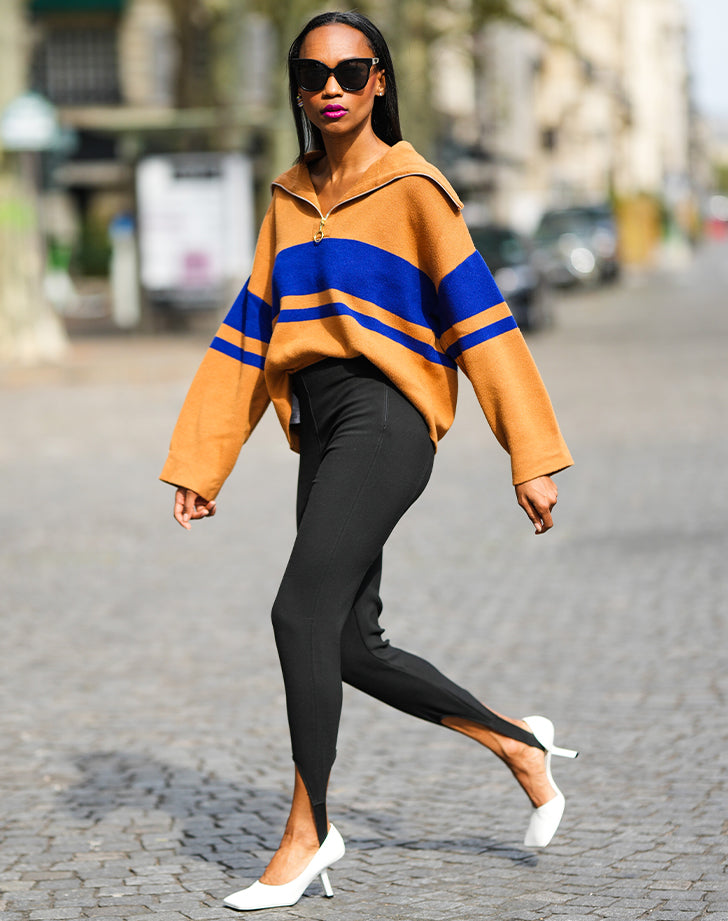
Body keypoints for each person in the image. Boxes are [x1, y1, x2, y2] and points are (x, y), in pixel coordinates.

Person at [161, 10, 577, 912]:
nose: (333, 91)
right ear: (298, 90)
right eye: (314, 76)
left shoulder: (415, 186)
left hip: (389, 418)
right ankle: (517, 744)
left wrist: (530, 454)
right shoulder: (289, 196)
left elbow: (480, 320)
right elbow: (246, 336)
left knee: (296, 610)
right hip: (322, 421)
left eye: (352, 72)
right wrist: (203, 460)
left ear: (381, 80)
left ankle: (309, 832)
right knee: (347, 640)